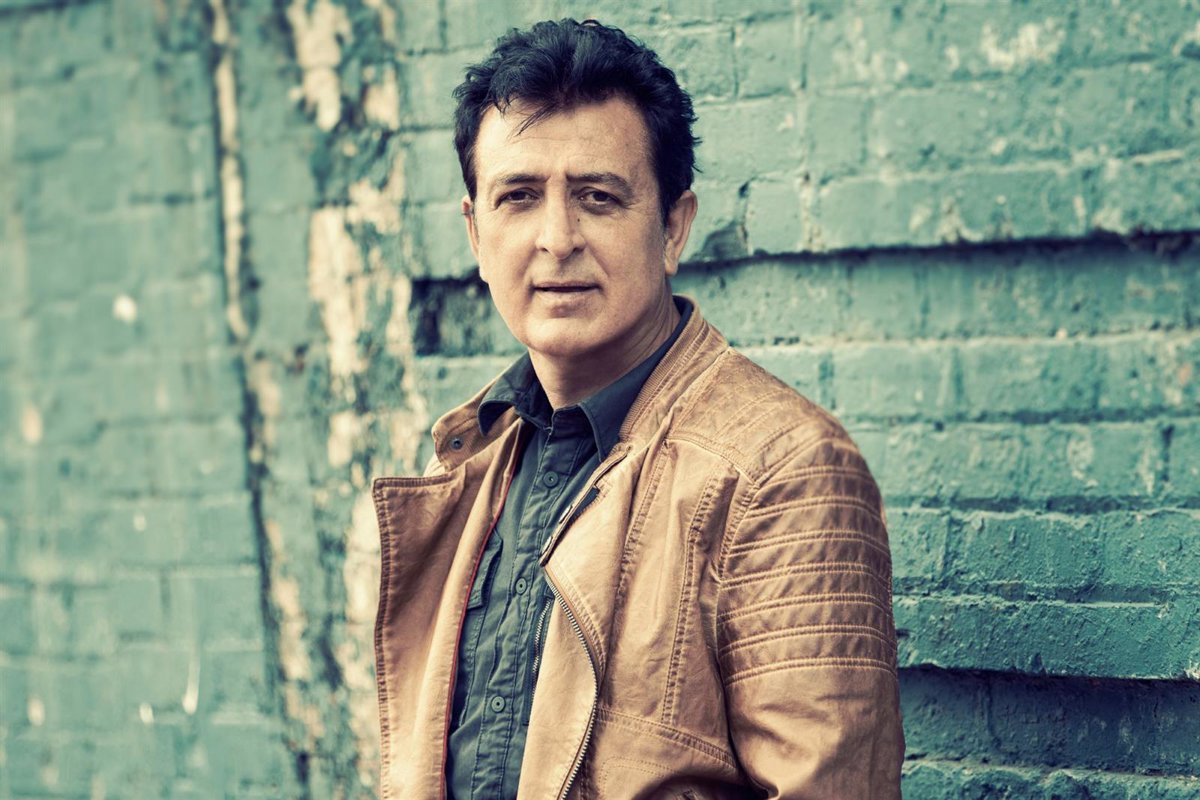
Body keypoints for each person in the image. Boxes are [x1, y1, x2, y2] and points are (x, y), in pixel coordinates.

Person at [372, 18, 903, 799]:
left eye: (598, 197)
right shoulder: (468, 459)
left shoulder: (785, 471)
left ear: (673, 228)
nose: (557, 239)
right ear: (476, 233)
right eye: (518, 197)